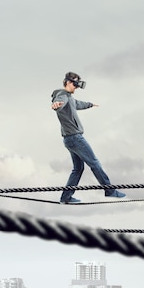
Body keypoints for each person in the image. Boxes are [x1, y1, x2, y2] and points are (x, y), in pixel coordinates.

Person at [50, 72, 127, 204]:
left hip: (68, 140)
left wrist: (90, 104)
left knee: (78, 169)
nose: (77, 87)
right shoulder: (62, 95)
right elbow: (59, 102)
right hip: (75, 138)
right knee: (95, 163)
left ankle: (66, 197)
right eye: (75, 84)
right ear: (68, 82)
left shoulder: (70, 98)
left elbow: (78, 104)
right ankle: (109, 190)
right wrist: (56, 105)